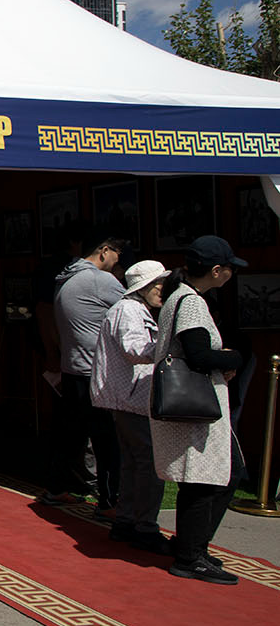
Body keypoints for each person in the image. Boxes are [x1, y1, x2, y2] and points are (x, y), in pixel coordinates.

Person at [151, 236, 247, 585]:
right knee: (204, 480)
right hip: (196, 408)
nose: (232, 274)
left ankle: (193, 547)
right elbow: (198, 355)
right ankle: (190, 555)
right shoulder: (191, 301)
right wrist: (234, 358)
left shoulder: (180, 297)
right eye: (230, 268)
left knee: (211, 477)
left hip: (193, 406)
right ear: (216, 270)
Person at [90, 260, 171, 554]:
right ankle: (144, 526)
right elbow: (135, 349)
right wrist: (171, 346)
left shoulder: (130, 309)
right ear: (143, 286)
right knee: (148, 464)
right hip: (132, 400)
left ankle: (126, 521)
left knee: (134, 463)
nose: (162, 289)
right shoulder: (129, 310)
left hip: (129, 399)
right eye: (157, 283)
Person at [45, 234, 130, 512]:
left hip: (72, 368)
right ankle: (110, 502)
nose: (118, 261)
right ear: (104, 251)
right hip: (95, 371)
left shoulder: (65, 277)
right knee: (107, 441)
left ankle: (56, 488)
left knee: (72, 435)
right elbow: (130, 310)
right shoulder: (100, 280)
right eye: (117, 253)